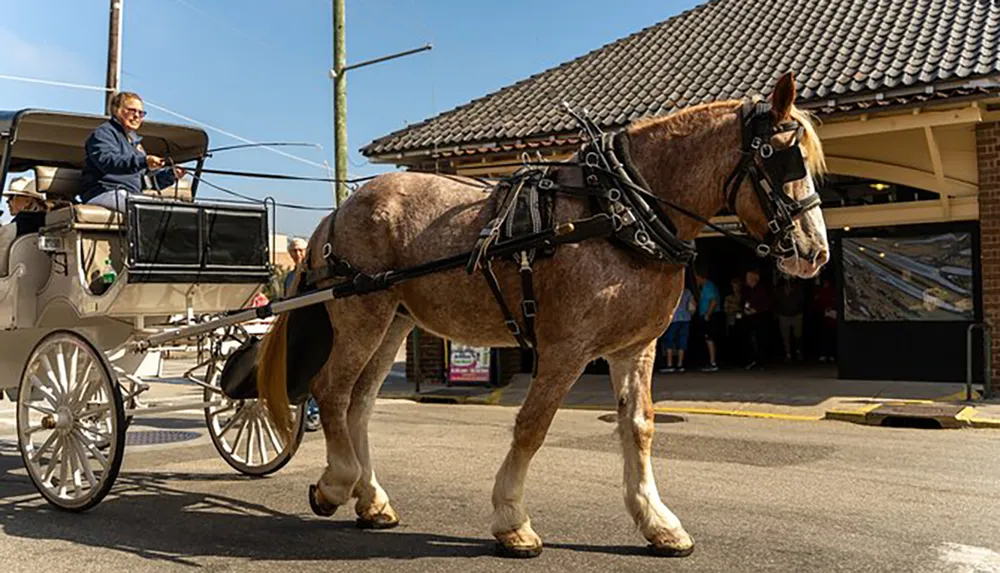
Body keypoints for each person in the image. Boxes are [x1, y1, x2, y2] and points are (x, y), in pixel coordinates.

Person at [79, 91, 186, 211]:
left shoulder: (135, 142)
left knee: (169, 210)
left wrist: (171, 174)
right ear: (116, 110)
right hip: (103, 192)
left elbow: (147, 182)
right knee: (145, 208)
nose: (137, 116)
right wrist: (144, 161)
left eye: (140, 113)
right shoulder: (104, 133)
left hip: (129, 194)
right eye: (132, 110)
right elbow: (108, 162)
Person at [284, 237, 321, 432]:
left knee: (314, 372)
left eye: (300, 250)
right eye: (294, 251)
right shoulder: (289, 278)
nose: (297, 254)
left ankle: (314, 413)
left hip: (312, 326)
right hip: (296, 327)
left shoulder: (314, 274)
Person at [659, 287, 695, 373]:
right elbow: (692, 306)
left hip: (673, 318)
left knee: (669, 340)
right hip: (686, 318)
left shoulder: (671, 290)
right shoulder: (687, 292)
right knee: (682, 340)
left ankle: (669, 364)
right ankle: (680, 364)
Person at [742, 269, 771, 370]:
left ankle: (761, 361)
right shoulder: (747, 290)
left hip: (761, 318)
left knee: (760, 340)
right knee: (751, 339)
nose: (747, 279)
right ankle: (752, 360)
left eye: (749, 277)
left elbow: (767, 304)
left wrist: (756, 310)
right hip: (750, 318)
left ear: (756, 278)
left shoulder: (762, 289)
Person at [695, 271, 723, 372]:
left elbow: (714, 301)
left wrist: (708, 314)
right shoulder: (704, 287)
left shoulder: (708, 286)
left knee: (709, 338)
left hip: (710, 315)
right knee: (706, 338)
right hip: (705, 315)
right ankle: (708, 360)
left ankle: (712, 362)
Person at [775, 278, 805, 362]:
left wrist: (799, 311)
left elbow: (802, 301)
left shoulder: (797, 290)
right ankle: (788, 354)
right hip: (784, 315)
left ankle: (798, 352)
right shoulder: (779, 291)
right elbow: (776, 302)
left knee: (798, 335)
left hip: (796, 315)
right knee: (785, 336)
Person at [813, 277, 837, 362]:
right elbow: (816, 303)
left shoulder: (833, 291)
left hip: (832, 318)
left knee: (832, 336)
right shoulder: (820, 291)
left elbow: (835, 301)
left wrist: (832, 308)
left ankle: (832, 354)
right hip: (822, 318)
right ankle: (823, 353)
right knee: (823, 336)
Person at [723, 276, 744, 365]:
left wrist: (736, 307)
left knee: (741, 338)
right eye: (734, 286)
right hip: (731, 319)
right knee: (732, 337)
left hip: (742, 319)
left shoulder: (743, 296)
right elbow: (726, 308)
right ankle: (732, 358)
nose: (735, 288)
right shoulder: (729, 297)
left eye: (737, 286)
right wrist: (733, 308)